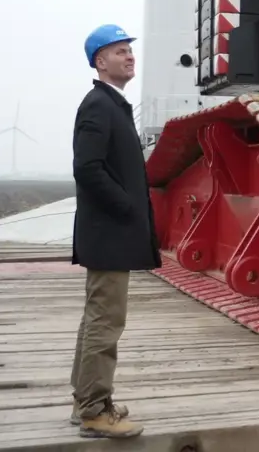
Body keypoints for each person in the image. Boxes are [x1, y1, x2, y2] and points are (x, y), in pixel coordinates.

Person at [69, 24, 161, 439]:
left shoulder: (111, 104)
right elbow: (87, 168)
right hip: (108, 234)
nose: (129, 56)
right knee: (105, 323)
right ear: (100, 61)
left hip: (108, 233)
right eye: (120, 51)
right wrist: (126, 206)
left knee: (97, 320)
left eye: (130, 50)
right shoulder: (99, 105)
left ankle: (86, 400)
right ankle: (94, 409)